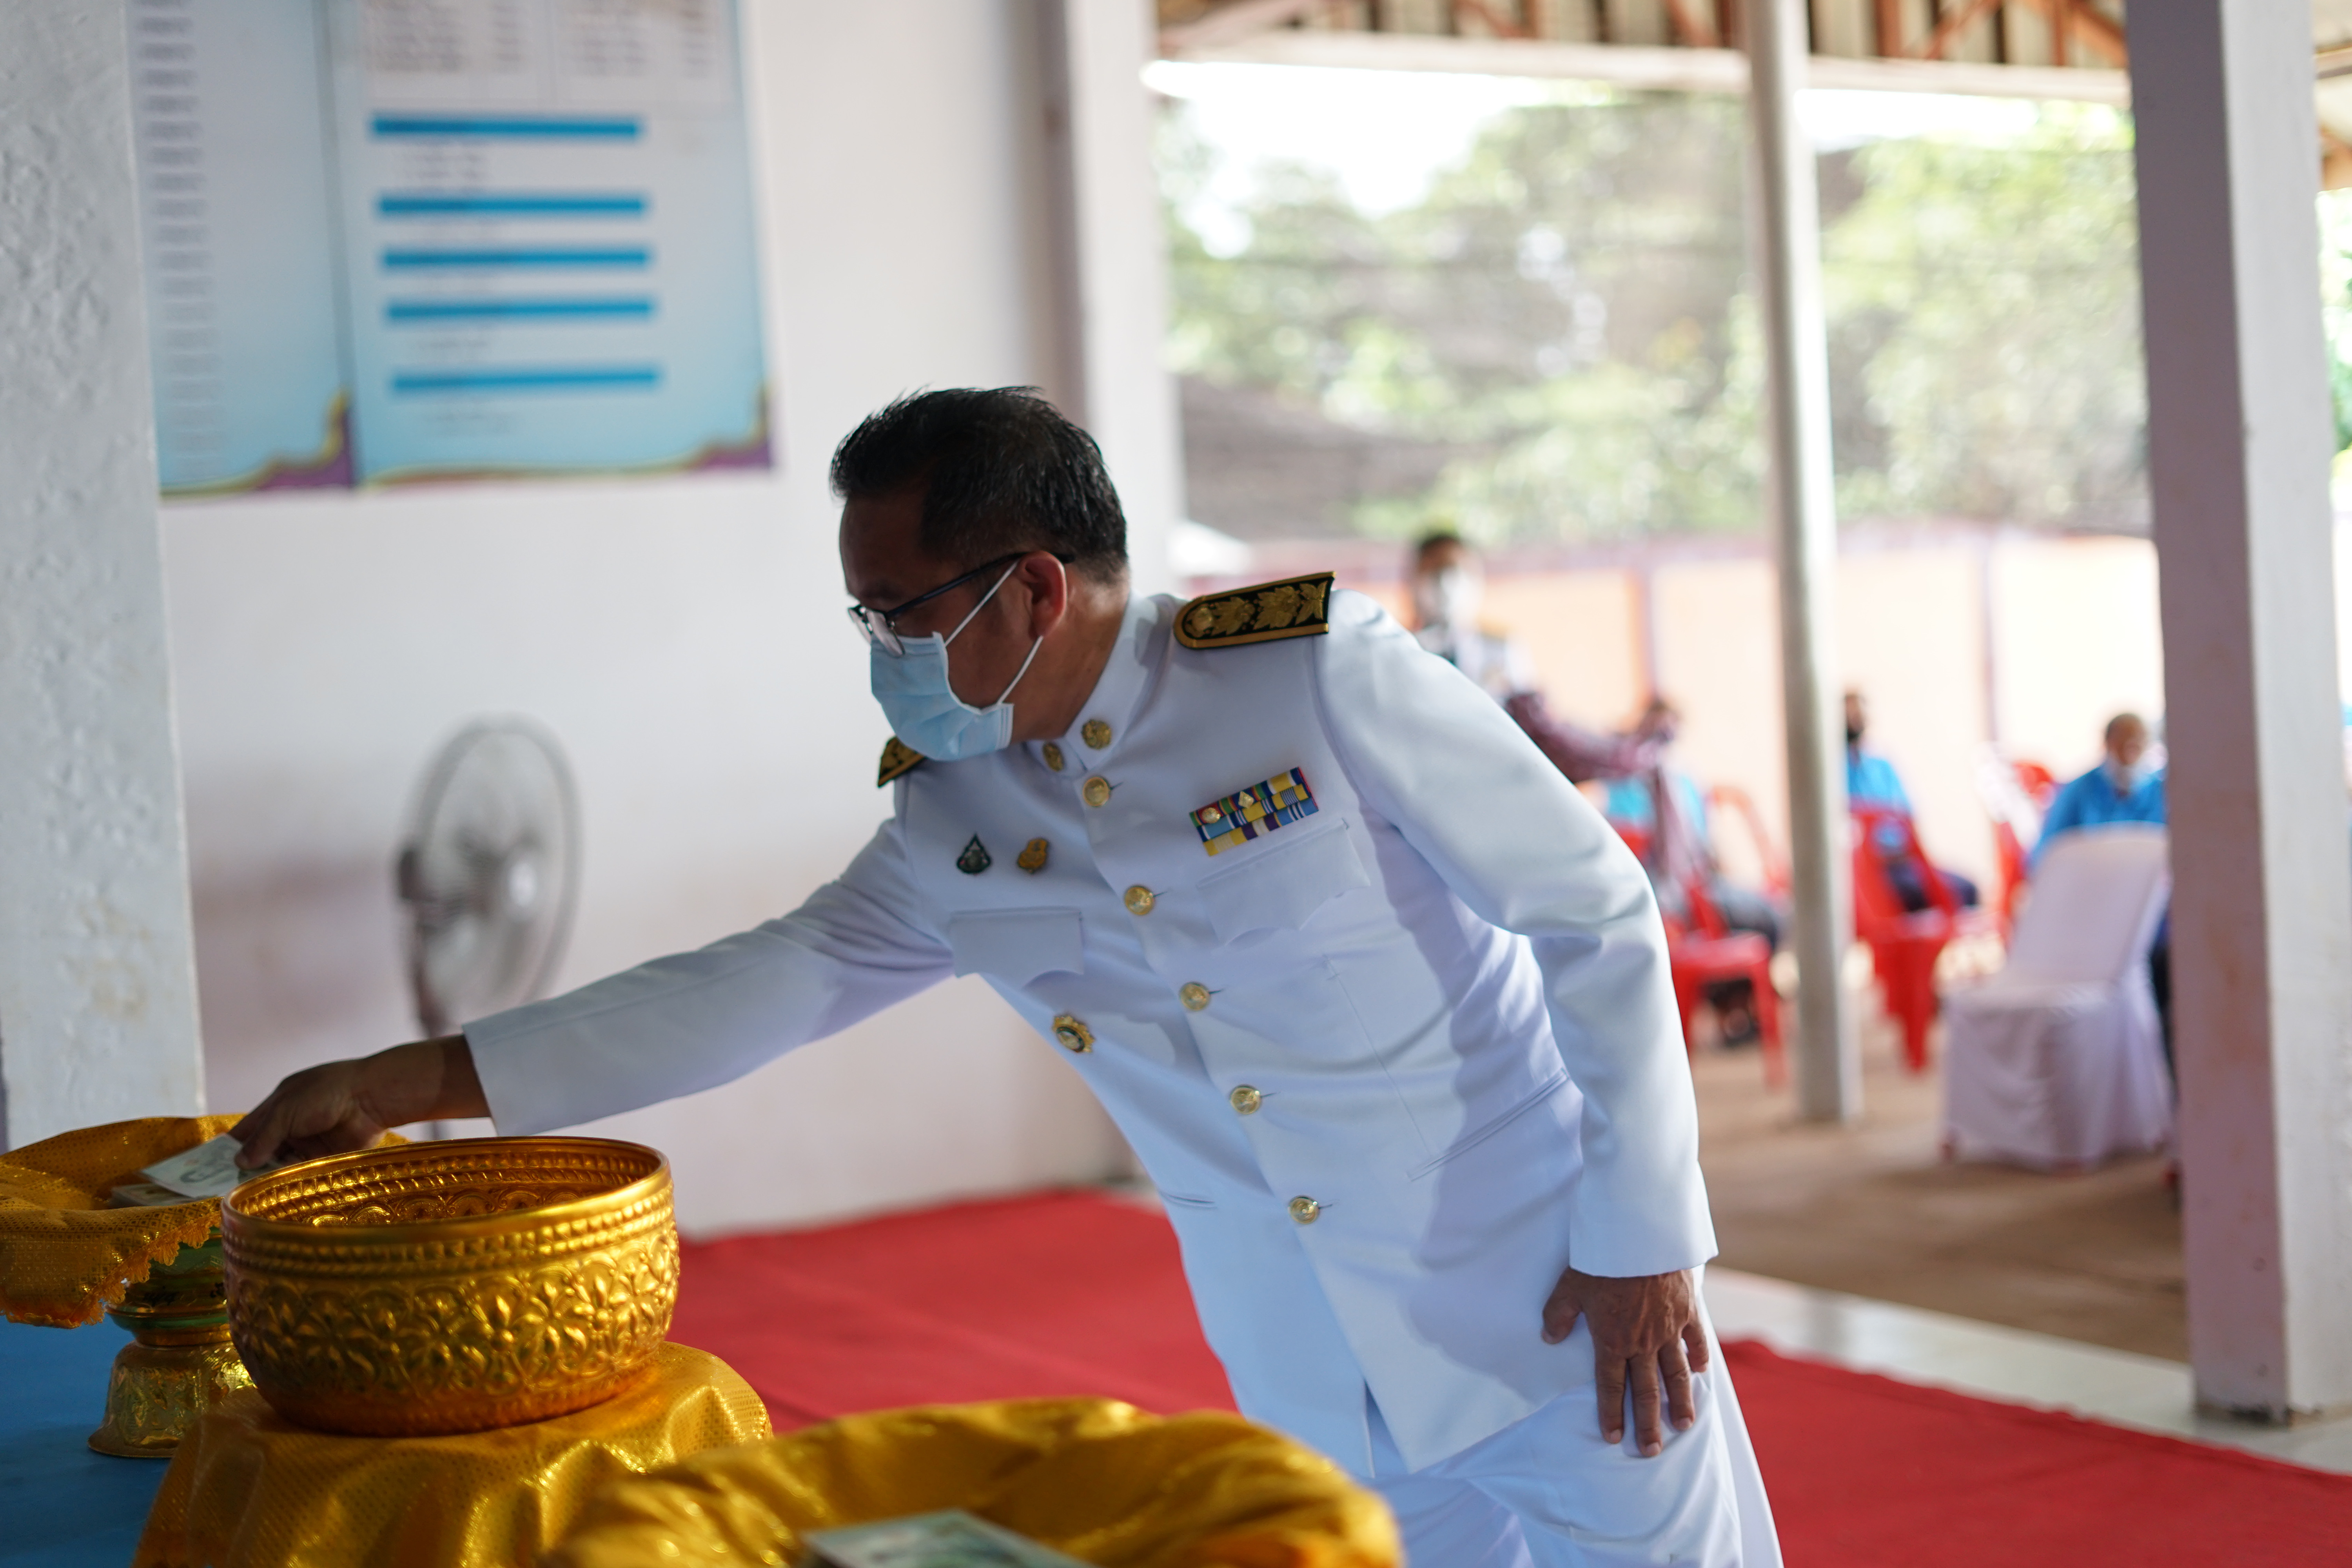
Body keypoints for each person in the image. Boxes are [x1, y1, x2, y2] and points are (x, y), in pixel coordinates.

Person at [234, 389, 1779, 1568]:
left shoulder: (1306, 674)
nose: (881, 649)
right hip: (1312, 1368)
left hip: (1566, 1313)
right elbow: (767, 982)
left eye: (900, 612)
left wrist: (1645, 1237)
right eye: (866, 614)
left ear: (1032, 590)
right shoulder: (956, 809)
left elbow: (1593, 911)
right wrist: (411, 1079)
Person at [1845, 688, 1978, 914]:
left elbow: (1907, 815)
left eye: (1860, 714)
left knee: (1967, 889)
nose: (1856, 720)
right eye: (1850, 715)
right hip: (1867, 873)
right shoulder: (1831, 772)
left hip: (1903, 862)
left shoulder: (1882, 766)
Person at [2031, 712, 2165, 866]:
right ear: (2107, 743)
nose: (2130, 748)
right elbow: (2044, 856)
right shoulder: (2078, 792)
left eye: (2138, 742)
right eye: (2122, 740)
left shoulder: (2162, 793)